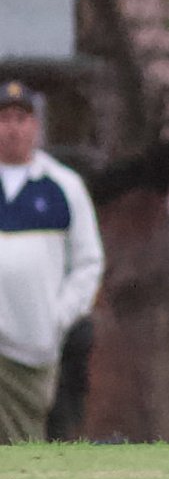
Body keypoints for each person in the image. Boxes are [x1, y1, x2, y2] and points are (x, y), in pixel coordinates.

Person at [0, 80, 105, 444]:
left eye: (21, 118)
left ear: (35, 126)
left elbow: (88, 262)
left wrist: (57, 316)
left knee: (24, 440)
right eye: (4, 118)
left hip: (33, 344)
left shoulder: (62, 185)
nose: (12, 127)